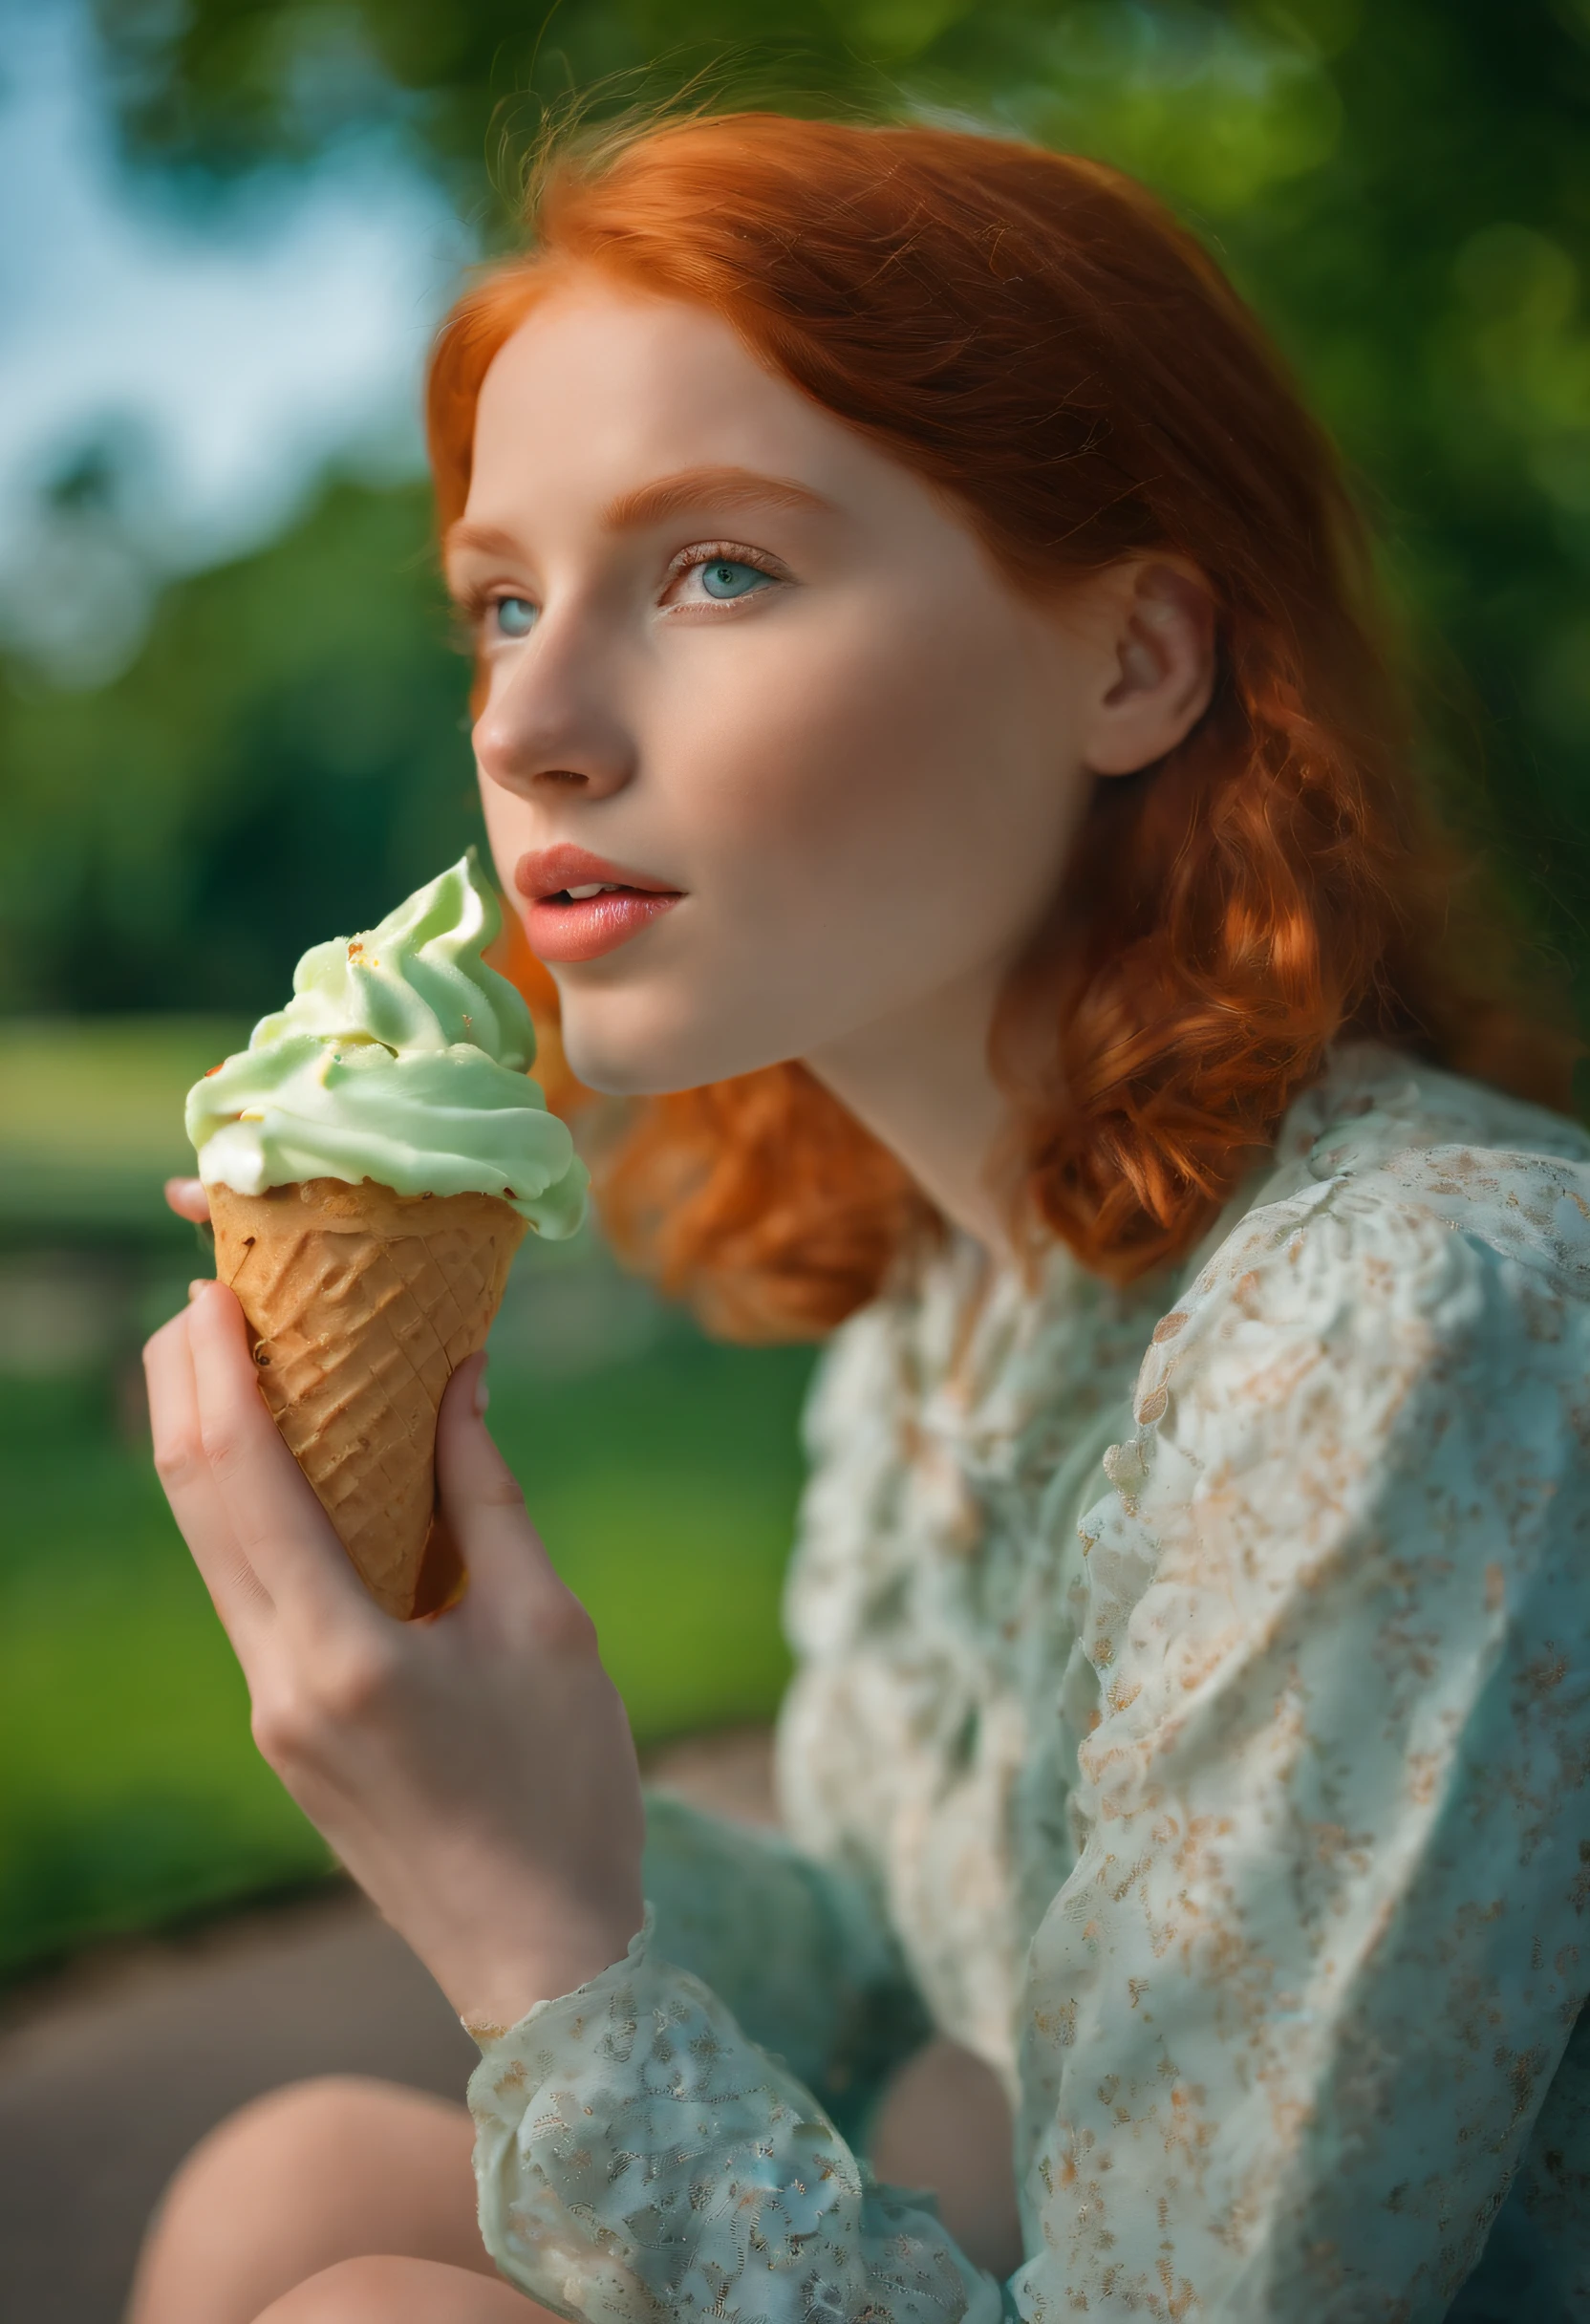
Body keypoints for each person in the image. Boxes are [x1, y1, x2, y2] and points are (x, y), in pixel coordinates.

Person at [132, 110, 1590, 2324]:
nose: (525, 719)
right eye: (501, 602)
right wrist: (458, 1761)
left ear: (1134, 663)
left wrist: (525, 1928)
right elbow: (891, 1971)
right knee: (289, 2181)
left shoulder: (1410, 1315)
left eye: (716, 568)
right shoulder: (952, 1315)